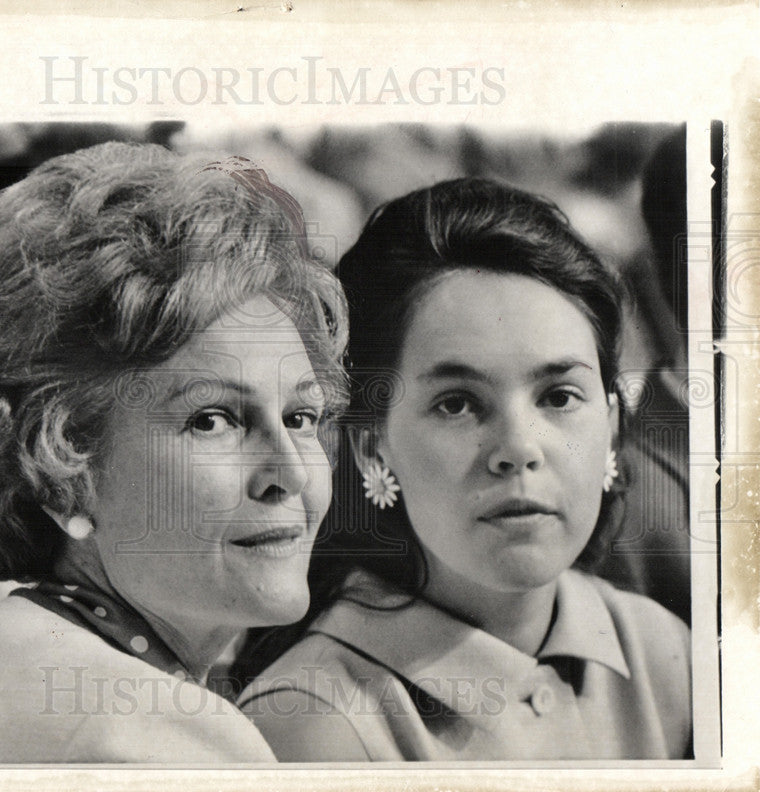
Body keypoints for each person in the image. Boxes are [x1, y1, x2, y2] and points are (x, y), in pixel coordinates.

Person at [0, 142, 347, 762]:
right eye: (214, 420)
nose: (292, 472)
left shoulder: (19, 653)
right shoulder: (162, 741)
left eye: (300, 417)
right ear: (65, 472)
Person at [237, 178, 691, 761]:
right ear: (371, 446)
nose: (518, 449)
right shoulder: (311, 726)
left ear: (610, 421)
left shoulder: (664, 653)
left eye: (558, 397)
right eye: (457, 403)